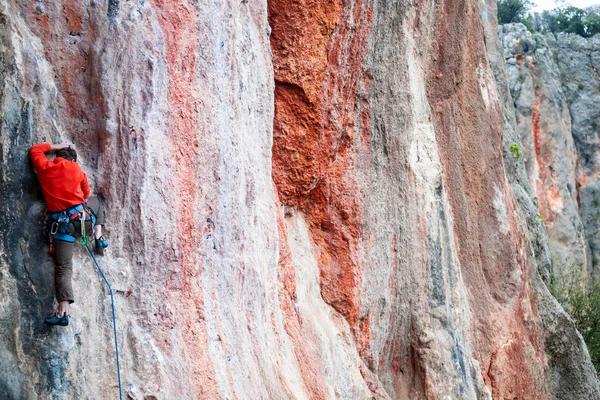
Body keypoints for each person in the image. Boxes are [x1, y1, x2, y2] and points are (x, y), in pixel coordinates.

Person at [29, 142, 108, 326]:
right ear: (72, 159)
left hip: (62, 229)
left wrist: (55, 146)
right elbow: (87, 194)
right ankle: (98, 237)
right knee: (97, 202)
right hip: (83, 221)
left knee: (63, 268)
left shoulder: (45, 167)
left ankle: (62, 312)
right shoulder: (76, 168)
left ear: (57, 157)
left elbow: (35, 150)